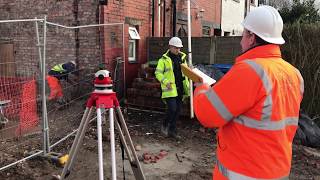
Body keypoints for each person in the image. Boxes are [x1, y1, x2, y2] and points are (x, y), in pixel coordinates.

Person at [193, 6, 304, 180]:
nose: (240, 41)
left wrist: (201, 87)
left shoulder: (249, 71)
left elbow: (207, 115)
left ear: (251, 38)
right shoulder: (294, 74)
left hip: (245, 172)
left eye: (243, 34)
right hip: (278, 171)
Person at [155, 37, 190, 138]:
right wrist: (166, 82)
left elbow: (186, 72)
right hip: (170, 89)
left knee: (178, 111)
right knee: (172, 109)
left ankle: (172, 131)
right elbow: (158, 73)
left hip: (180, 88)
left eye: (179, 48)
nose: (178, 50)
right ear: (170, 47)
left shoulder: (182, 58)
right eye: (176, 48)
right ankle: (165, 125)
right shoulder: (163, 60)